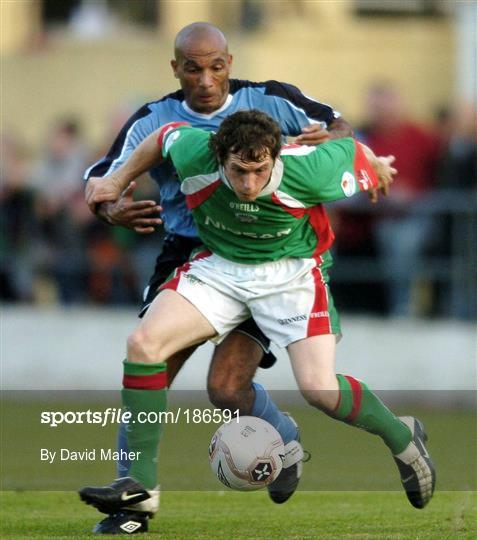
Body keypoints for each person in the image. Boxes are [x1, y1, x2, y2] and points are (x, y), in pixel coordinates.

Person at [80, 110, 435, 535]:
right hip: (222, 268)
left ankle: (401, 437)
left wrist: (375, 166)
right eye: (238, 171)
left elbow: (355, 151)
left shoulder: (311, 168)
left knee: (319, 390)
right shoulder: (196, 150)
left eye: (259, 170)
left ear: (275, 159)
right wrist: (117, 181)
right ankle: (139, 488)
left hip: (292, 275)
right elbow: (162, 136)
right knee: (143, 345)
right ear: (219, 157)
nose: (249, 184)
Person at [82, 21, 352, 533]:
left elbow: (340, 129)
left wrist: (330, 137)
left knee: (228, 388)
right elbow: (102, 176)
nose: (205, 79)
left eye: (216, 67)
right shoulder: (153, 119)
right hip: (190, 252)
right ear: (175, 68)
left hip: (266, 256)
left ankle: (283, 439)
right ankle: (133, 503)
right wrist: (109, 208)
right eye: (193, 68)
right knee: (151, 363)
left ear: (229, 63)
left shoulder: (272, 99)